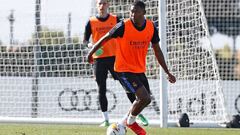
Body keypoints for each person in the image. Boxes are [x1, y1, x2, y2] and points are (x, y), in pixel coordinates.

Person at [87, 1, 176, 134]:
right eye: (131, 11)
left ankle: (123, 124)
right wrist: (91, 53)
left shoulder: (151, 27)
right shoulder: (123, 25)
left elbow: (157, 50)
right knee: (144, 97)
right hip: (123, 70)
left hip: (139, 70)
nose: (133, 14)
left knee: (144, 100)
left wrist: (167, 71)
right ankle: (130, 122)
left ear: (144, 13)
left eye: (136, 12)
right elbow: (105, 38)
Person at [83, 0, 149, 127]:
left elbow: (128, 31)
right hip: (99, 59)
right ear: (97, 6)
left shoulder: (115, 19)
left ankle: (137, 113)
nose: (102, 6)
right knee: (101, 88)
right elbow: (85, 40)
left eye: (104, 3)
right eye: (100, 3)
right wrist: (91, 45)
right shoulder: (91, 22)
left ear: (108, 5)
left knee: (128, 87)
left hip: (115, 58)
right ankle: (106, 119)